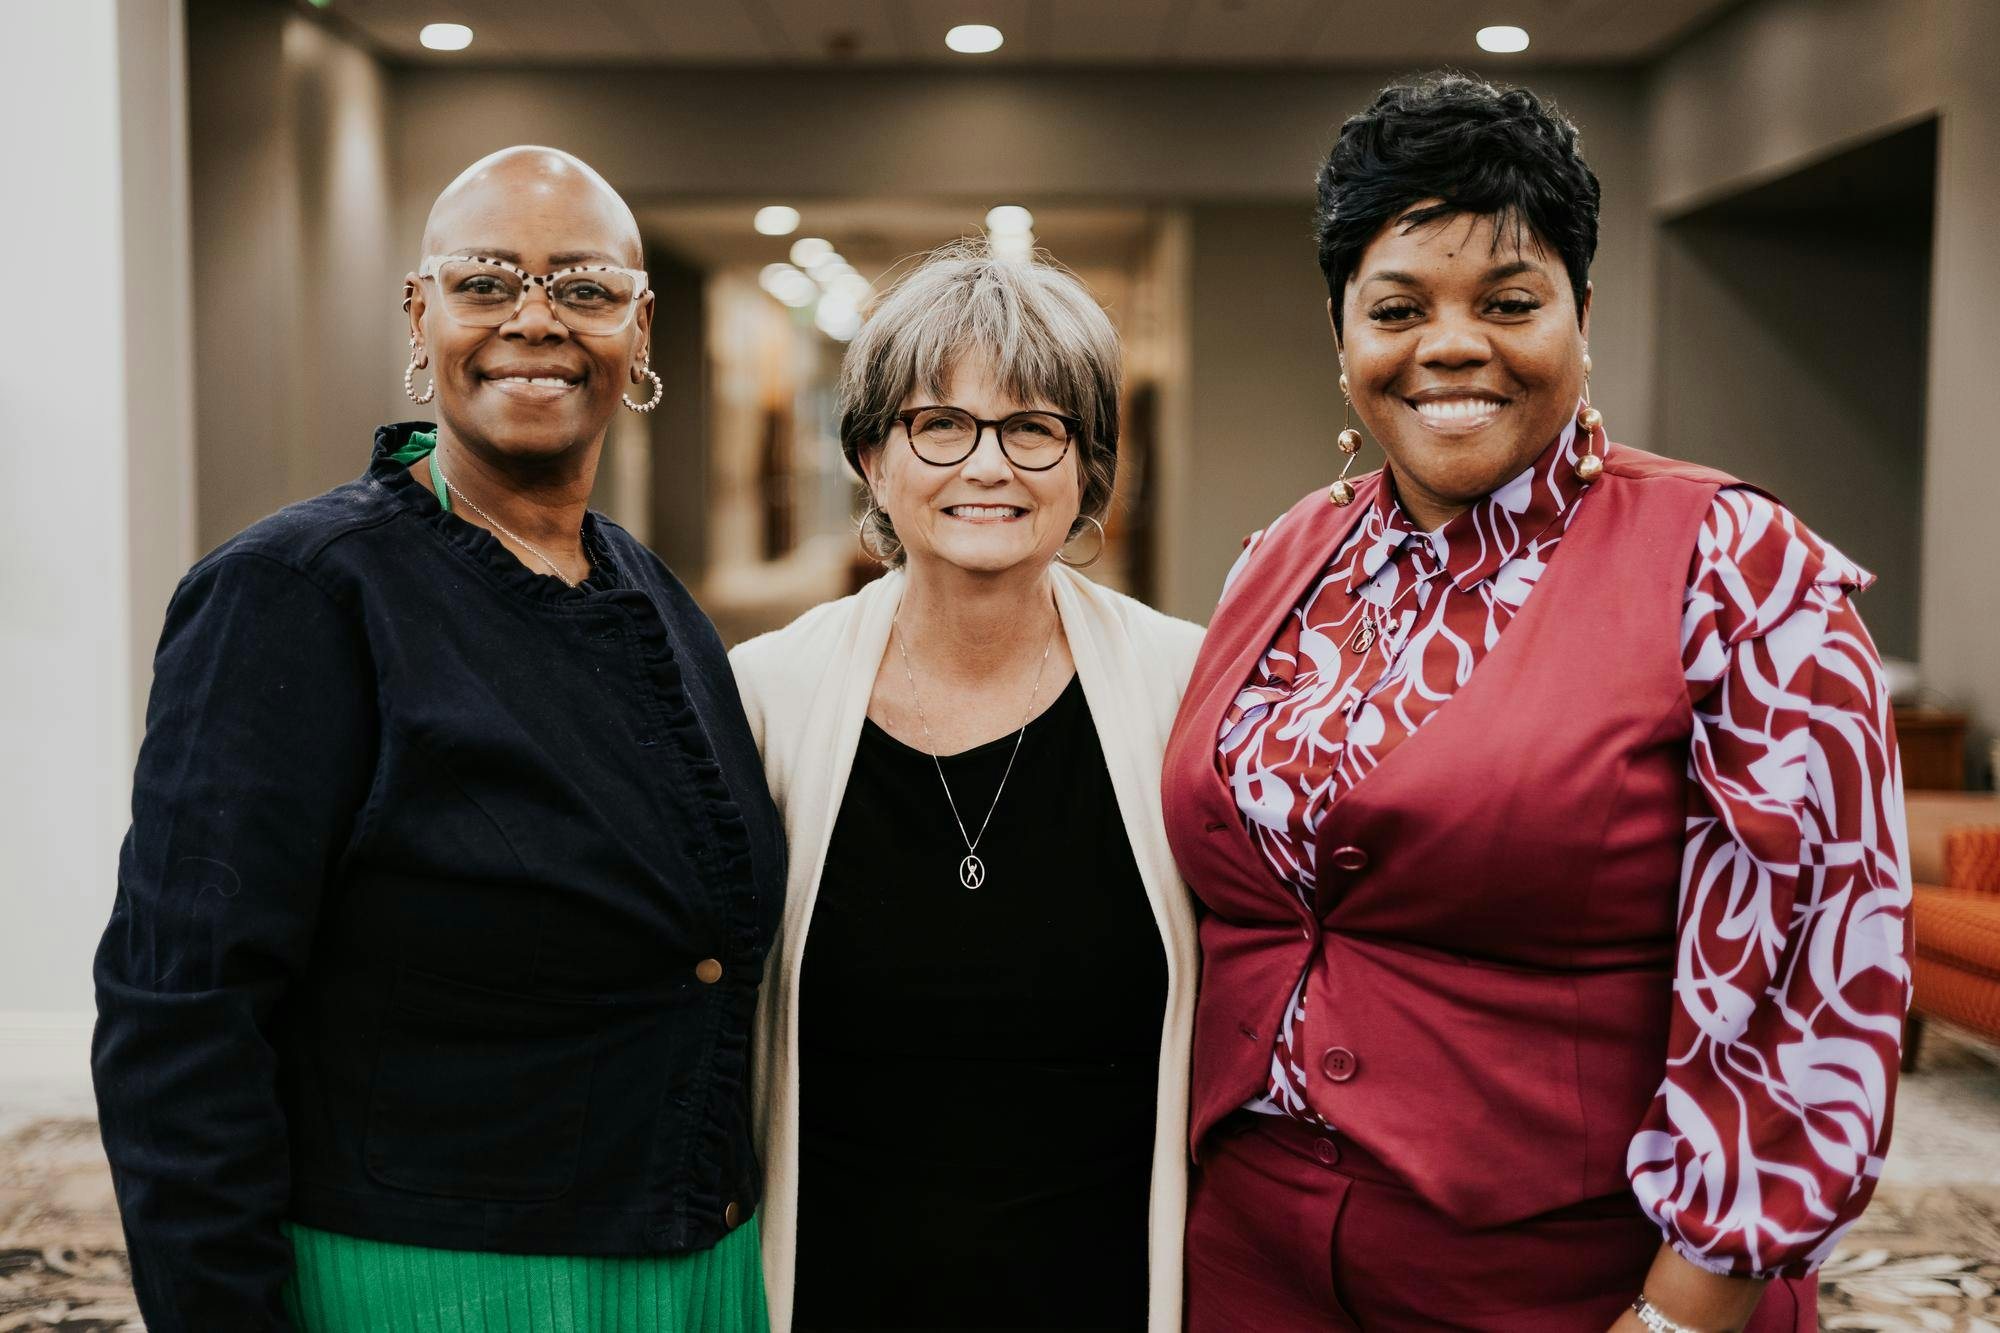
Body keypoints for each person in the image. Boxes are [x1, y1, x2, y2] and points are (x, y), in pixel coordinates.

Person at [1163, 75, 1910, 1332]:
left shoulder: (1734, 564)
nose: (1449, 344)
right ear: (1340, 336)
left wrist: (1684, 1306)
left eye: (1508, 302)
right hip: (1243, 1251)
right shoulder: (1280, 555)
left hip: (1566, 1277)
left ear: (1579, 315)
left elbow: (1814, 965)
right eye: (1396, 307)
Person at [92, 146, 784, 1333]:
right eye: (483, 282)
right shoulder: (295, 593)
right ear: (420, 314)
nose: (533, 320)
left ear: (641, 327)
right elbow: (181, 1009)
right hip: (426, 1277)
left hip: (691, 1267)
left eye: (581, 288)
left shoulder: (651, 594)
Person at [731, 241, 1203, 1332]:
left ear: (1089, 465)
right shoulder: (767, 697)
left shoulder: (1182, 685)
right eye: (938, 424)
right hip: (837, 1282)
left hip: (1102, 1285)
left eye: (1035, 427)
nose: (987, 466)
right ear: (869, 455)